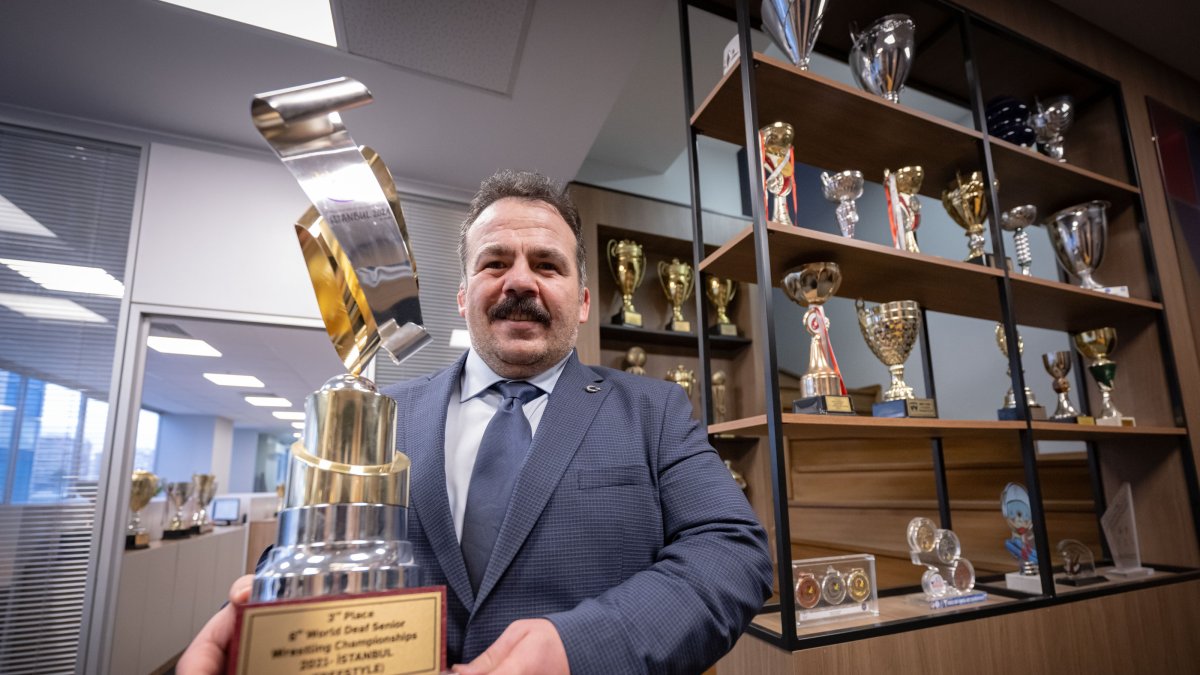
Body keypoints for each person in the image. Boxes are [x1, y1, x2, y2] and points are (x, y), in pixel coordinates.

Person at [178, 170, 773, 674]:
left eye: (547, 264)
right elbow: (311, 549)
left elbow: (732, 551)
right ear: (464, 296)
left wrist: (579, 647)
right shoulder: (384, 417)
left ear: (584, 301)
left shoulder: (654, 412)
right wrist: (270, 616)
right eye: (495, 263)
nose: (519, 281)